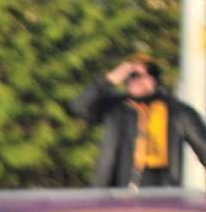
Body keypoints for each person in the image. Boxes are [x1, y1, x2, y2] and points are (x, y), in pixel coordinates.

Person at [70, 55, 206, 188]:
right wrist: (108, 80)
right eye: (131, 76)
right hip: (116, 198)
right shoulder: (117, 108)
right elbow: (79, 107)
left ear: (154, 79)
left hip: (162, 199)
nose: (134, 80)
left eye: (139, 75)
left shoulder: (177, 112)